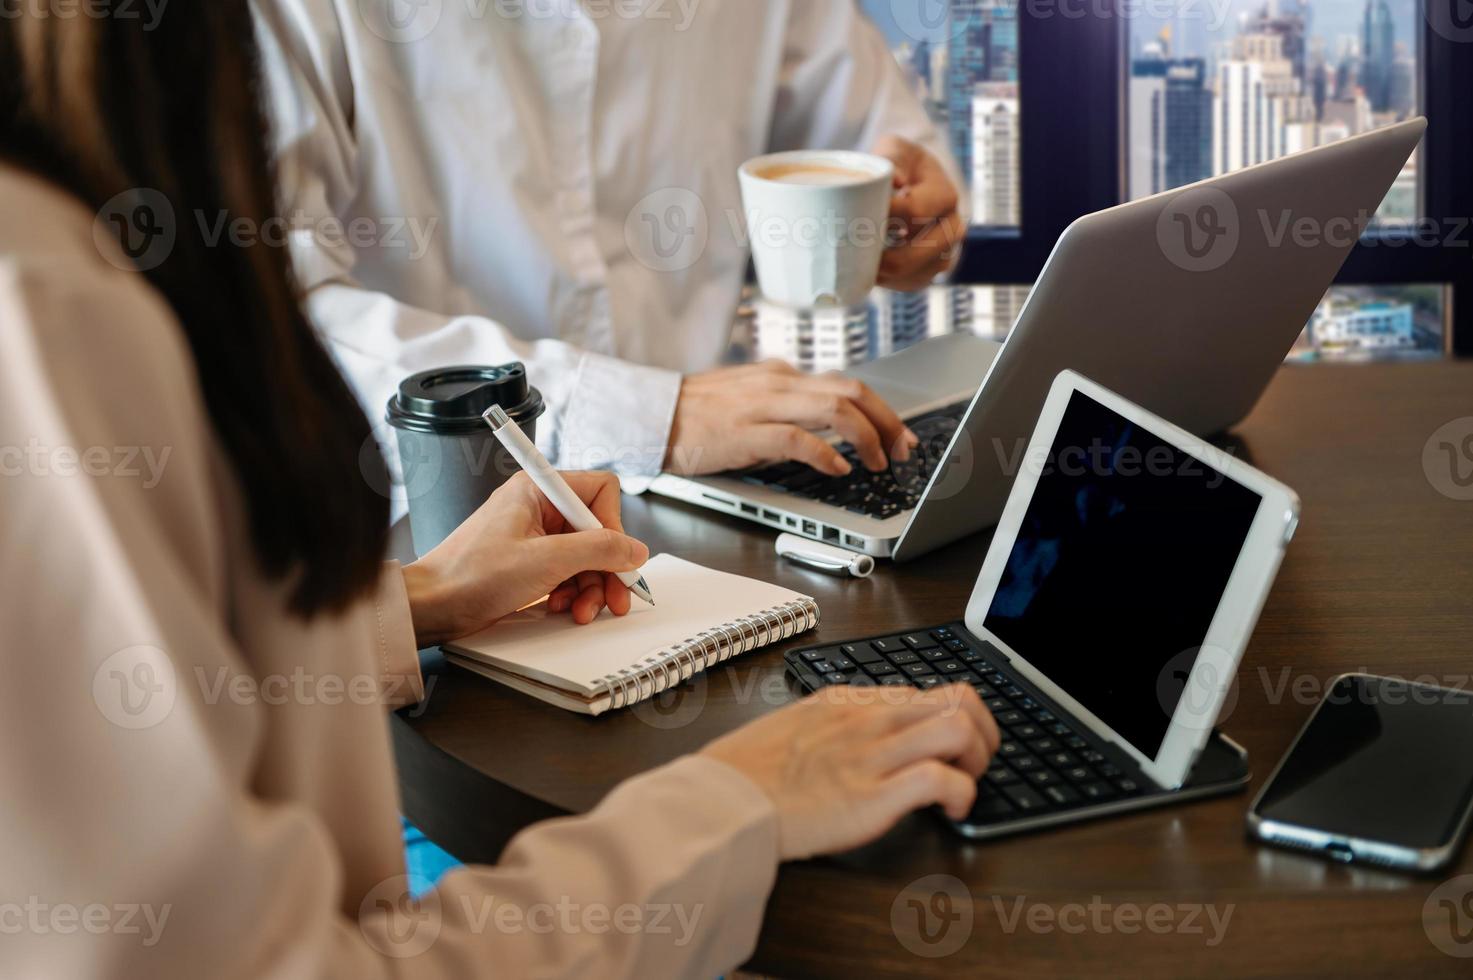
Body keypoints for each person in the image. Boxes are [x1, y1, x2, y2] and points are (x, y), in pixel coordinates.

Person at [0, 6, 998, 977]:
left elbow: (174, 672)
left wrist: (418, 600)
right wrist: (734, 802)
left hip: (544, 571)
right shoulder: (44, 311)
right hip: (453, 570)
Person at [249, 0, 968, 491]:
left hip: (703, 498)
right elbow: (276, 321)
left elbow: (880, 144)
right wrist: (639, 415)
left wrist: (912, 216)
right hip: (417, 525)